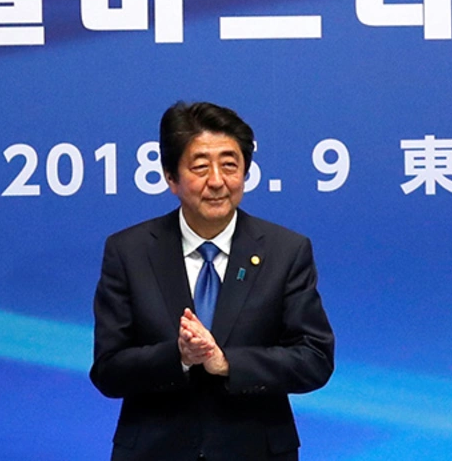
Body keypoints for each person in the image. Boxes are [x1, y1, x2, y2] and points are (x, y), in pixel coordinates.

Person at [91, 101, 334, 461]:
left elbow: (314, 359)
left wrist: (228, 362)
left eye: (230, 165)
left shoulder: (285, 251)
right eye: (201, 167)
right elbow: (108, 370)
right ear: (171, 177)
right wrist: (180, 357)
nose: (217, 181)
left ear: (246, 172)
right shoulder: (130, 251)